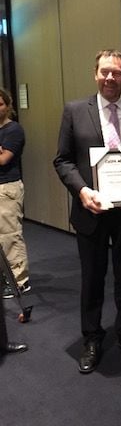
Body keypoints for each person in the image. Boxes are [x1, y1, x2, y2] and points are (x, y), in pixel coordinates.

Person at [54, 49, 121, 374]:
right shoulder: (74, 111)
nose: (110, 77)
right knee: (92, 277)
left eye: (117, 72)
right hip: (91, 210)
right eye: (105, 71)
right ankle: (92, 338)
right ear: (95, 74)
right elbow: (63, 160)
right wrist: (82, 191)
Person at [0, 88, 31, 300]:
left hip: (7, 188)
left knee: (10, 236)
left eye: (0, 104)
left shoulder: (14, 130)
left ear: (8, 105)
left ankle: (19, 282)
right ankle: (6, 278)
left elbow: (3, 159)